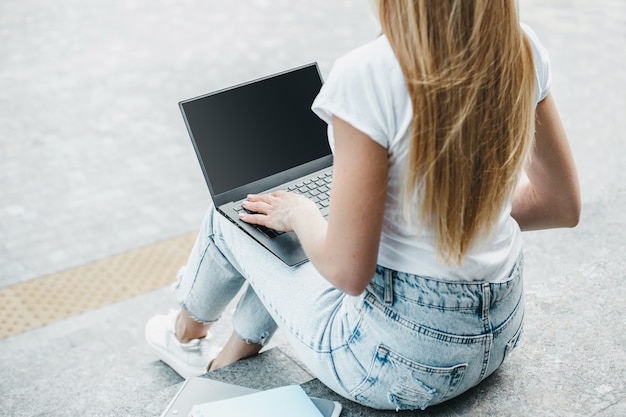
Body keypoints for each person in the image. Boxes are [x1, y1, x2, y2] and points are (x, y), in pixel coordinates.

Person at [145, 0, 580, 411]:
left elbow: (349, 272)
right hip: (500, 333)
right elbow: (561, 205)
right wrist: (445, 221)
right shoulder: (517, 44)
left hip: (396, 366)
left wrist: (300, 213)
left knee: (236, 219)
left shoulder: (368, 74)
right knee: (285, 237)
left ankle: (186, 334)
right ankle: (228, 363)